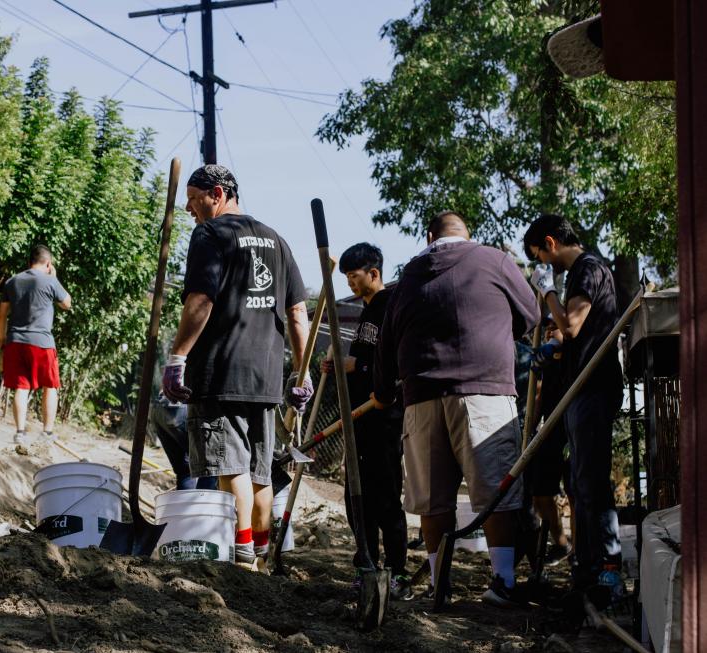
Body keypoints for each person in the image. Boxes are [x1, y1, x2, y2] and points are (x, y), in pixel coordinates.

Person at [374, 211, 538, 607]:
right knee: (494, 490)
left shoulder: (409, 276)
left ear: (429, 236)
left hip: (421, 397)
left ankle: (438, 584)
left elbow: (386, 343)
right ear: (468, 235)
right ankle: (502, 582)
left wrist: (382, 392)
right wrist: (501, 334)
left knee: (432, 498)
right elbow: (531, 314)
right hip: (484, 392)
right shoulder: (494, 260)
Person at [162, 164, 311, 568]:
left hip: (219, 371)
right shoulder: (276, 240)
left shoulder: (211, 234)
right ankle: (261, 556)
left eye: (194, 199)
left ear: (217, 193)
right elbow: (298, 313)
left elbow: (201, 301)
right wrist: (302, 371)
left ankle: (243, 553)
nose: (191, 209)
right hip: (266, 378)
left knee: (232, 468)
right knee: (260, 472)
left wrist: (177, 357)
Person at [524, 214, 622, 593]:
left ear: (550, 243)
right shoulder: (590, 270)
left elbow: (573, 326)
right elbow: (569, 337)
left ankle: (604, 570)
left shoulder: (586, 268)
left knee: (590, 481)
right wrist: (552, 348)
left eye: (540, 258)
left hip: (593, 388)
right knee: (583, 481)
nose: (544, 267)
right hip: (582, 388)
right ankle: (589, 568)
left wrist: (548, 293)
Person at [322, 243, 410, 599]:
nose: (350, 283)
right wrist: (338, 369)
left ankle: (398, 571)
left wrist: (355, 367)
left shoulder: (392, 307)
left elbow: (397, 367)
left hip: (384, 416)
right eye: (345, 277)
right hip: (359, 418)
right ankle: (366, 564)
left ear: (374, 273)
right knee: (356, 495)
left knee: (386, 493)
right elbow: (362, 362)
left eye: (354, 276)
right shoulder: (367, 310)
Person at [0, 245, 71, 444]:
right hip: (42, 343)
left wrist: (3, 339)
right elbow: (67, 304)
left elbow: (2, 314)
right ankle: (46, 433)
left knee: (21, 387)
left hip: (15, 341)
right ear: (48, 264)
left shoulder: (12, 281)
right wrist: (54, 278)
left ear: (29, 262)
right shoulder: (50, 280)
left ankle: (20, 433)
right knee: (50, 386)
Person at [525, 316, 573, 566]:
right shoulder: (546, 363)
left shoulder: (574, 357)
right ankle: (561, 543)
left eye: (555, 327)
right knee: (540, 493)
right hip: (550, 432)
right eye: (547, 328)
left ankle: (580, 553)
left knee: (576, 491)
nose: (548, 331)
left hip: (573, 428)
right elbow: (541, 398)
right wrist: (529, 432)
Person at [149, 391, 218, 491]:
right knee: (210, 469)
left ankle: (187, 506)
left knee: (185, 472)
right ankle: (202, 506)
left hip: (159, 405)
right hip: (183, 405)